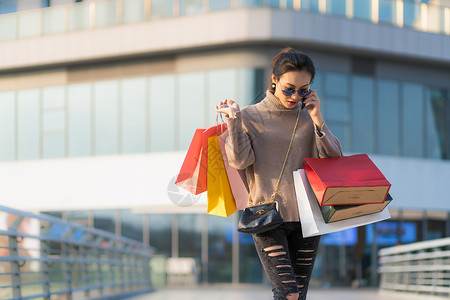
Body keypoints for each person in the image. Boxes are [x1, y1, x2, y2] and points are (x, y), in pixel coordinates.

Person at [216, 47, 343, 300]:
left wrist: (318, 118)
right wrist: (233, 121)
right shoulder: (250, 116)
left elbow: (335, 158)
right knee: (288, 294)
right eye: (288, 88)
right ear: (274, 80)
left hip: (307, 218)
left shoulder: (308, 119)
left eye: (303, 90)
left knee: (299, 295)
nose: (295, 96)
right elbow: (240, 160)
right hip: (266, 215)